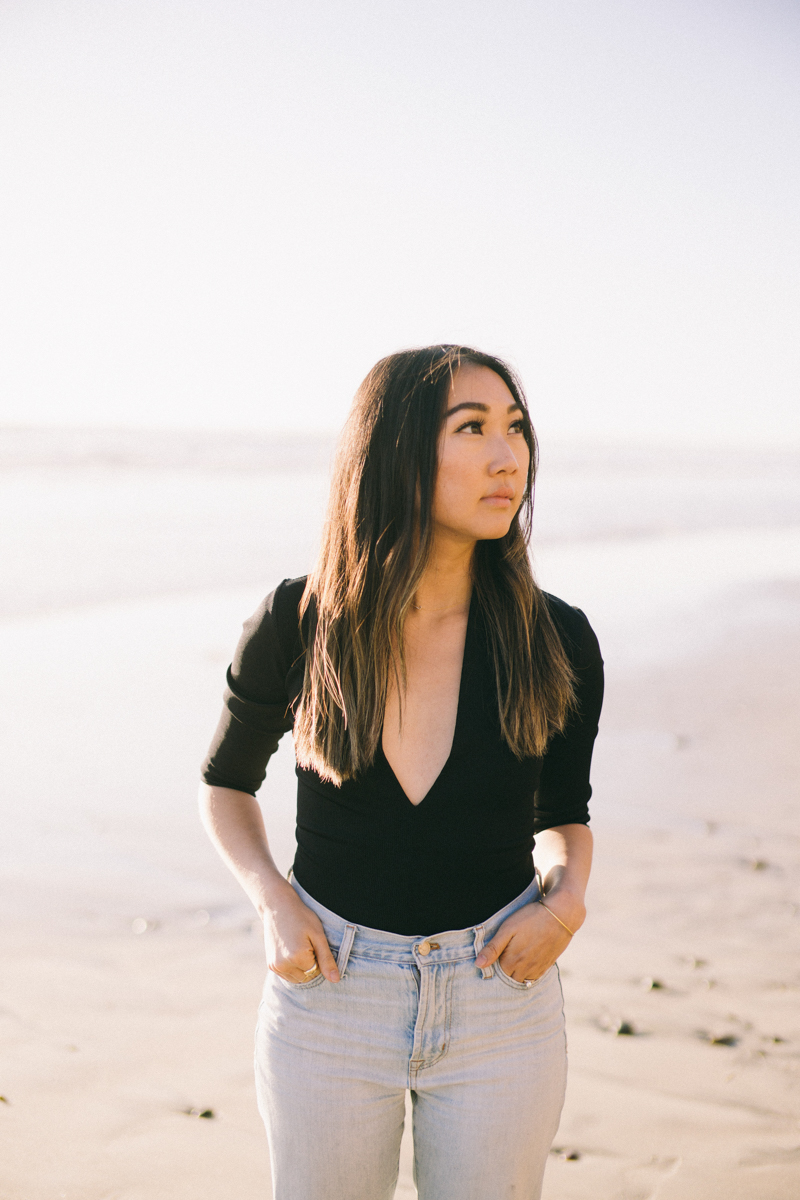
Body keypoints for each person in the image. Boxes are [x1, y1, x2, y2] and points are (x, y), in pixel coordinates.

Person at [199, 345, 604, 1200]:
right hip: (330, 996)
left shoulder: (558, 639)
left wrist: (565, 900)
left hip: (502, 997)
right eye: (473, 429)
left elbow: (565, 813)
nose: (509, 457)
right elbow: (227, 783)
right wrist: (273, 900)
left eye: (517, 429)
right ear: (397, 452)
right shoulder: (297, 622)